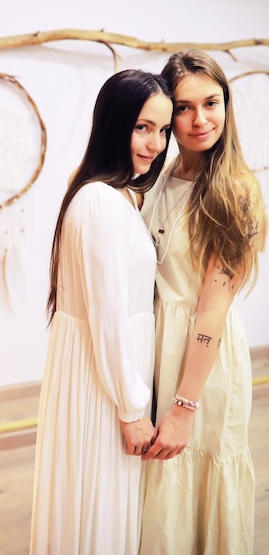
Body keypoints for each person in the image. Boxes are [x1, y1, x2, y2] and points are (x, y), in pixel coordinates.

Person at [29, 69, 173, 555]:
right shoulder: (99, 203)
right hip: (105, 386)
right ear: (114, 124)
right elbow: (109, 318)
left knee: (99, 506)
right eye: (143, 127)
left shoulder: (111, 195)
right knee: (96, 508)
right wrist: (133, 409)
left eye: (163, 130)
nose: (156, 143)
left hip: (107, 379)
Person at [139, 49, 267, 555]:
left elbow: (212, 309)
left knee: (198, 477)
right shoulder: (156, 178)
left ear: (226, 104)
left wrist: (184, 407)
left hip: (203, 362)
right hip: (153, 345)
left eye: (210, 103)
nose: (199, 120)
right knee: (161, 494)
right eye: (184, 107)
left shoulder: (235, 191)